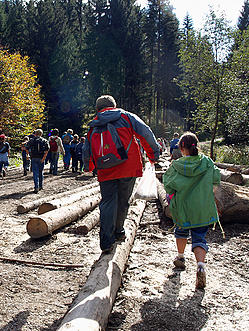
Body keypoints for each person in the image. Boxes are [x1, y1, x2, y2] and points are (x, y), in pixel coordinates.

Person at [83, 95, 160, 254]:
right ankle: (118, 231)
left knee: (108, 202)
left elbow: (87, 147)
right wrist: (153, 155)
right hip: (128, 166)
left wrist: (88, 166)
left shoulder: (94, 124)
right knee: (123, 200)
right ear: (114, 105)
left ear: (98, 109)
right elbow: (145, 133)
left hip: (105, 168)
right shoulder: (126, 116)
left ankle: (106, 241)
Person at [163, 132, 221, 289]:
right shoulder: (207, 162)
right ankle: (200, 265)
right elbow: (216, 178)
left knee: (181, 232)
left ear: (182, 147)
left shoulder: (176, 165)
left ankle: (180, 258)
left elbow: (168, 186)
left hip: (183, 208)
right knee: (199, 237)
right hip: (202, 209)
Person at [25, 128, 49, 193]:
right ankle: (41, 185)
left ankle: (36, 187)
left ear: (35, 134)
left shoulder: (32, 140)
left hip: (34, 158)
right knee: (41, 172)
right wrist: (44, 157)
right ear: (41, 134)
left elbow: (27, 148)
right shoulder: (44, 140)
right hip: (41, 158)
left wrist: (27, 155)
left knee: (35, 172)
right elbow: (47, 149)